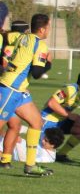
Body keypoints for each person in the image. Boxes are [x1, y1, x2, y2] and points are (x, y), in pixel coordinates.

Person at [0, 13, 54, 176]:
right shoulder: (40, 45)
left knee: (36, 122)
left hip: (19, 89)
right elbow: (37, 72)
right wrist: (49, 63)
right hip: (10, 88)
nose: (49, 31)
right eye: (49, 27)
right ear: (43, 29)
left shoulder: (23, 38)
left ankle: (30, 166)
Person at [41, 70, 80, 163]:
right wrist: (69, 115)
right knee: (44, 153)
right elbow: (51, 103)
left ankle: (61, 154)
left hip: (62, 122)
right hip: (48, 120)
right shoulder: (69, 90)